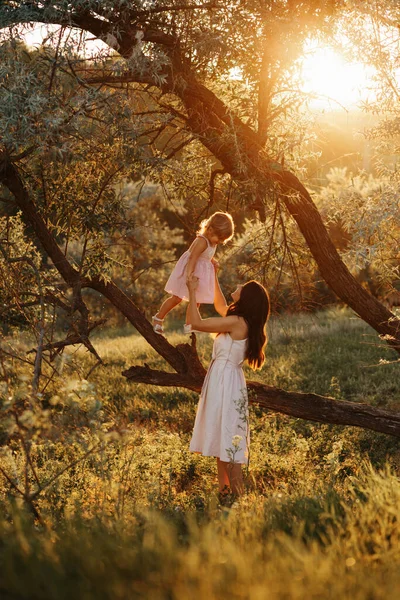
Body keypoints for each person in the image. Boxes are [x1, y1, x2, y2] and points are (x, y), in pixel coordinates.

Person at [186, 270, 270, 499]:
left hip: (224, 381)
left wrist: (192, 292)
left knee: (230, 442)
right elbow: (219, 302)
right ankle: (224, 494)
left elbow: (195, 322)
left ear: (247, 298)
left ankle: (238, 496)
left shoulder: (236, 322)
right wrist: (211, 272)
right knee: (223, 439)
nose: (239, 285)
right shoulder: (241, 320)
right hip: (225, 379)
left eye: (244, 286)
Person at [152, 212, 234, 335]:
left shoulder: (212, 241)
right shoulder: (202, 241)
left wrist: (212, 261)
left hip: (199, 274)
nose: (219, 242)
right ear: (210, 230)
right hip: (190, 271)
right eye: (219, 239)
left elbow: (205, 255)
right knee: (177, 298)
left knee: (196, 300)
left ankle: (190, 324)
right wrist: (189, 276)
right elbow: (193, 258)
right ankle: (158, 318)